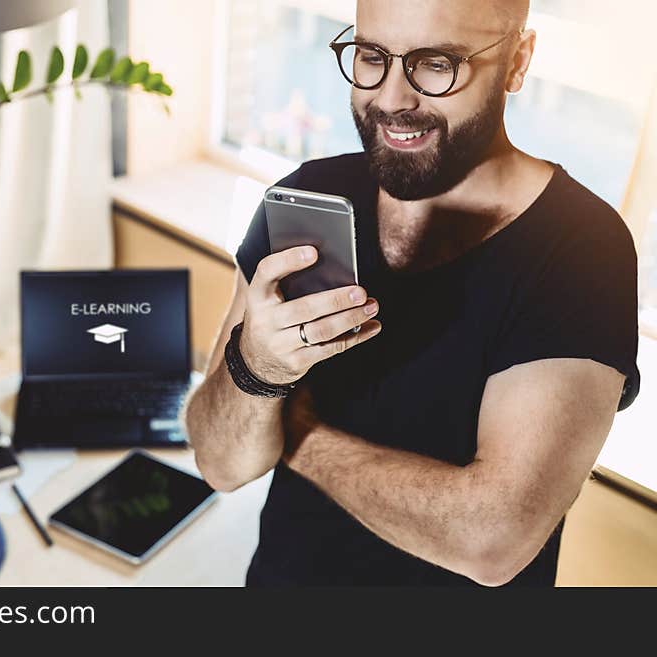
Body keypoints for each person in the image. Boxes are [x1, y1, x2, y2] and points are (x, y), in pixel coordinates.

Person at [182, 0, 640, 586]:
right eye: (372, 57)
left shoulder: (581, 251)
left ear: (518, 61)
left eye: (435, 63)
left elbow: (491, 541)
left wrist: (293, 431)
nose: (393, 98)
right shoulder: (307, 194)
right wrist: (258, 367)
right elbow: (220, 462)